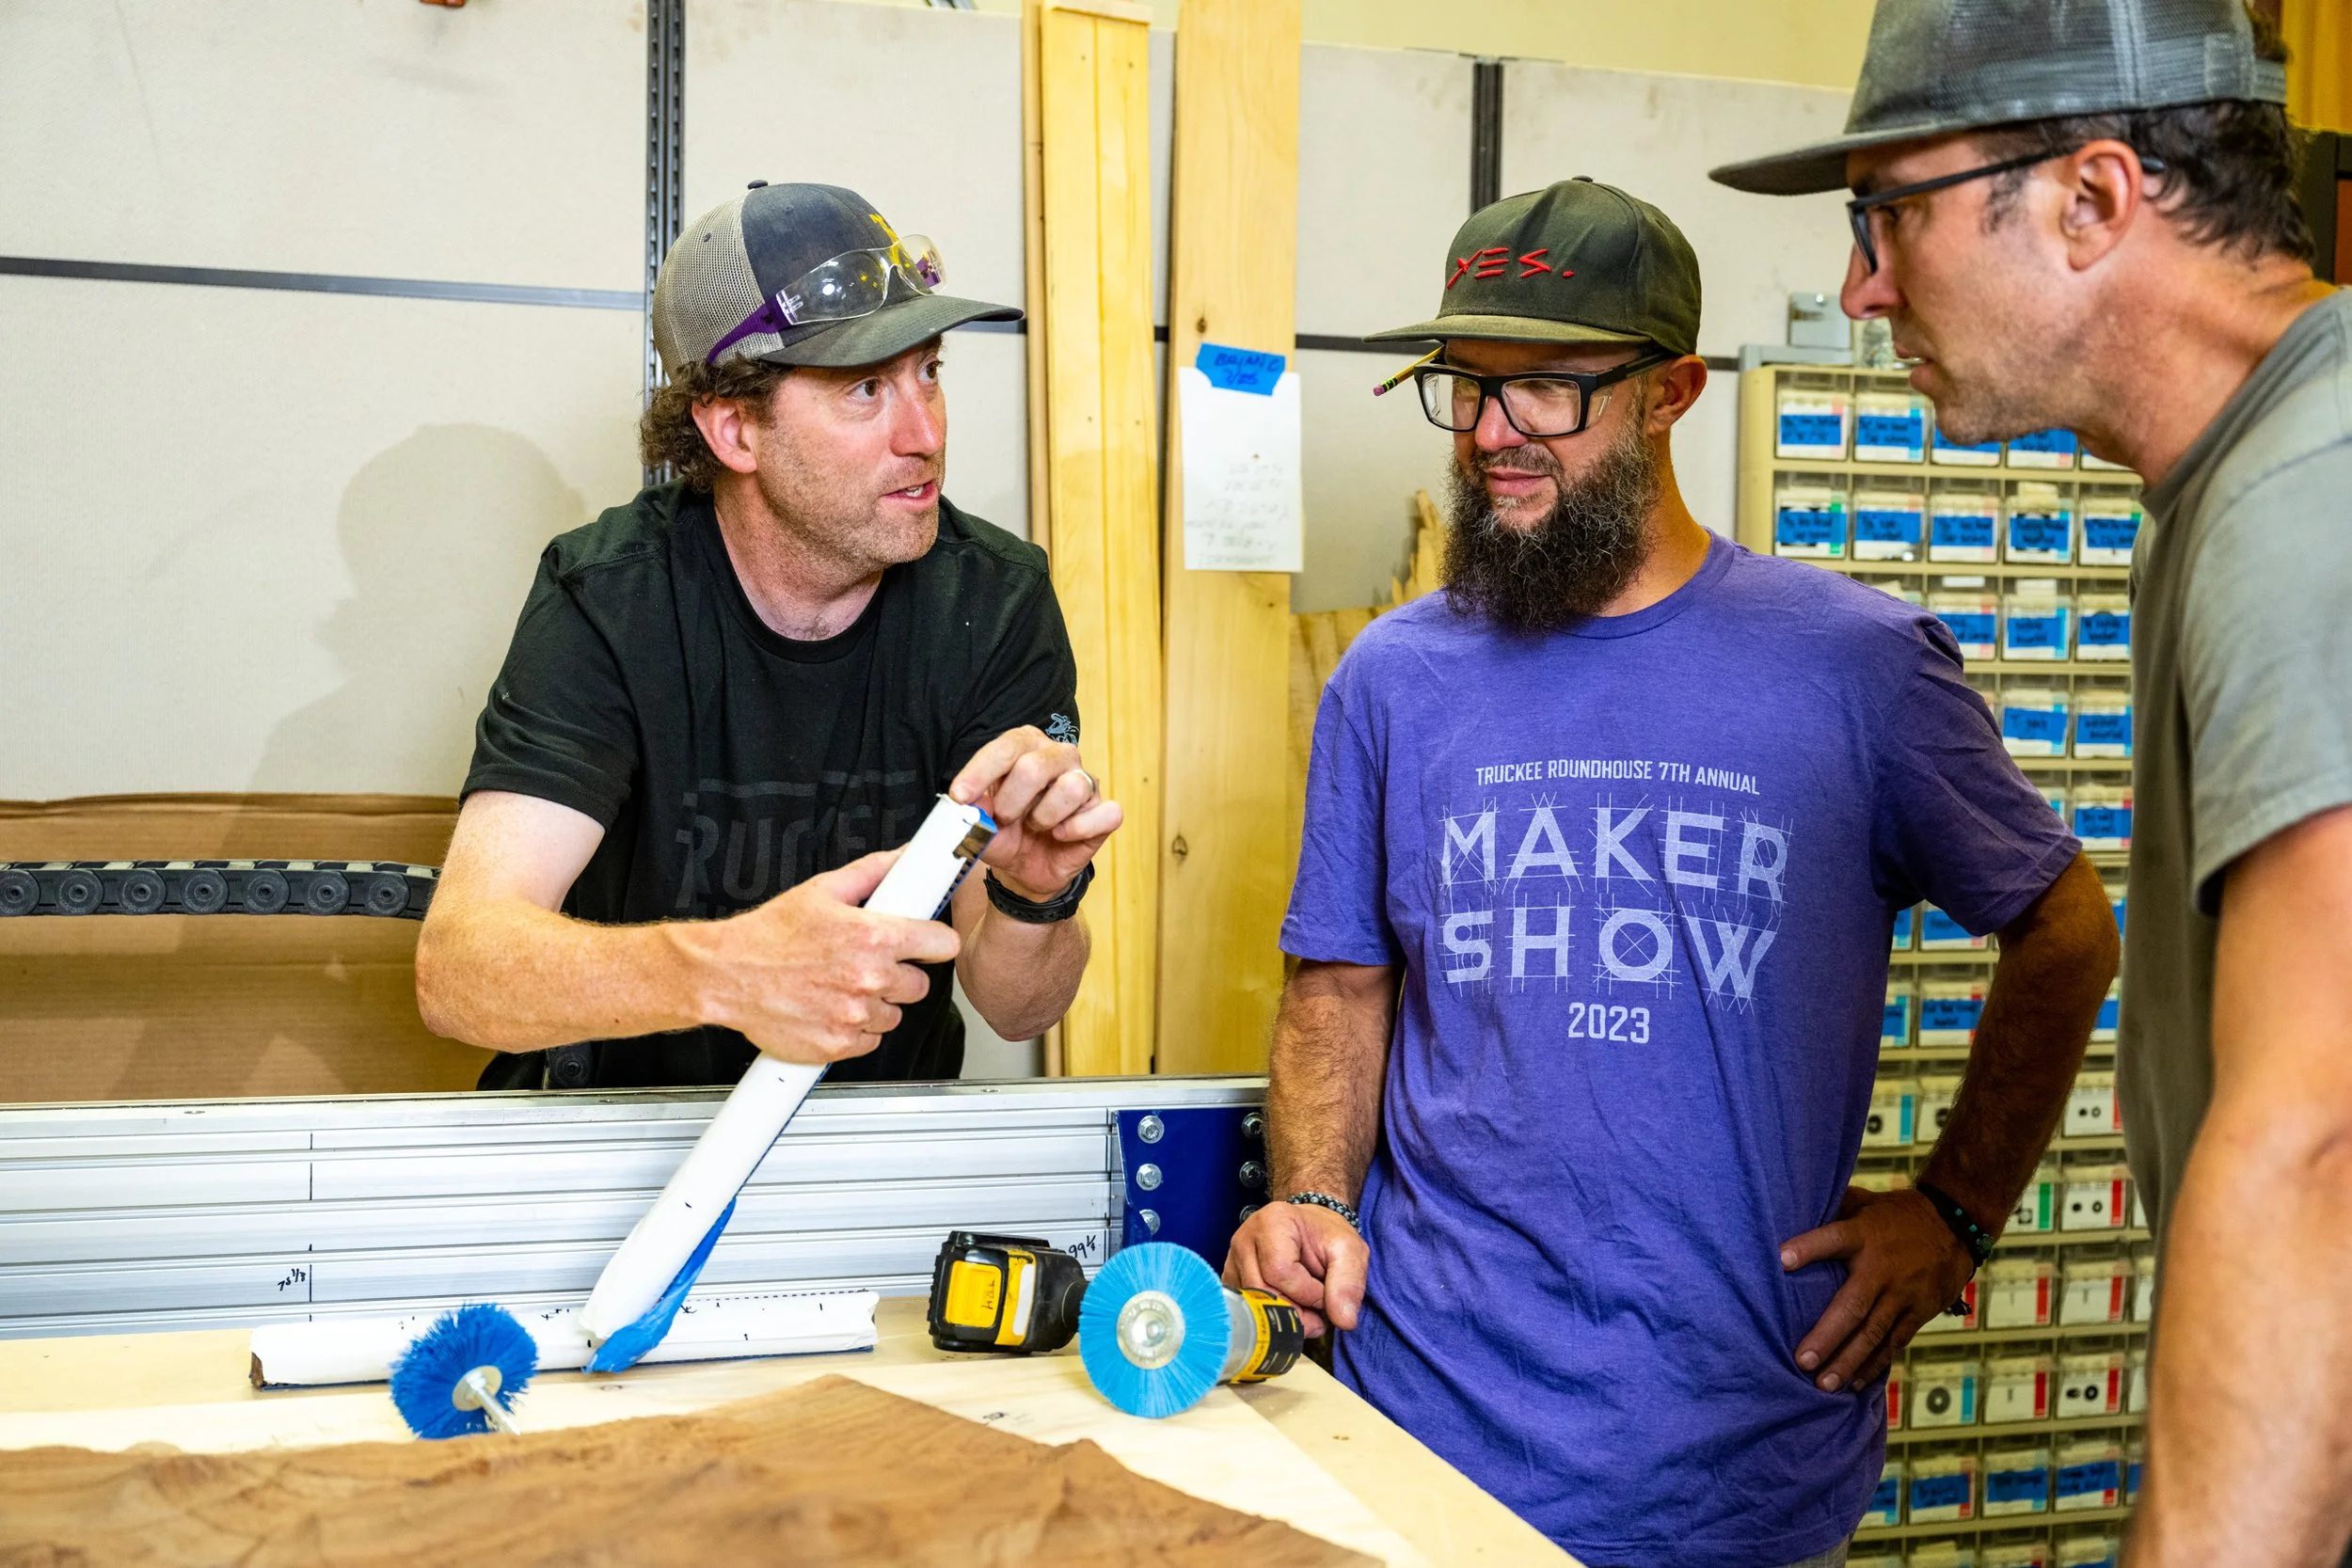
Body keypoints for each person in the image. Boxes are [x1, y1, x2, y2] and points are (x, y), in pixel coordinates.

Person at [1223, 177, 2119, 1567]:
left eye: (1549, 391)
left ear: (1672, 391)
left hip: (1735, 1467)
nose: (1493, 434)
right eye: (1466, 385)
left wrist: (1954, 1212)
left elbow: (2066, 930)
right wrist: (1317, 1197)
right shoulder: (1393, 677)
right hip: (1412, 1429)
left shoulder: (1859, 667)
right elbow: (1338, 982)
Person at [1713, 2, 2350, 1560]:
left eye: (1888, 216)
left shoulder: (2305, 498)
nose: (1862, 288)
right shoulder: (2240, 484)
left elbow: (2323, 1144)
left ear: (2091, 200)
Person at [414, 182, 1118, 1090]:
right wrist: (729, 974)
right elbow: (460, 973)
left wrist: (1037, 898)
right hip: (618, 1138)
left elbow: (1020, 1007)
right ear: (735, 426)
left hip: (869, 1154)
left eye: (928, 372)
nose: (926, 432)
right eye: (866, 388)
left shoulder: (994, 601)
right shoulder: (610, 597)